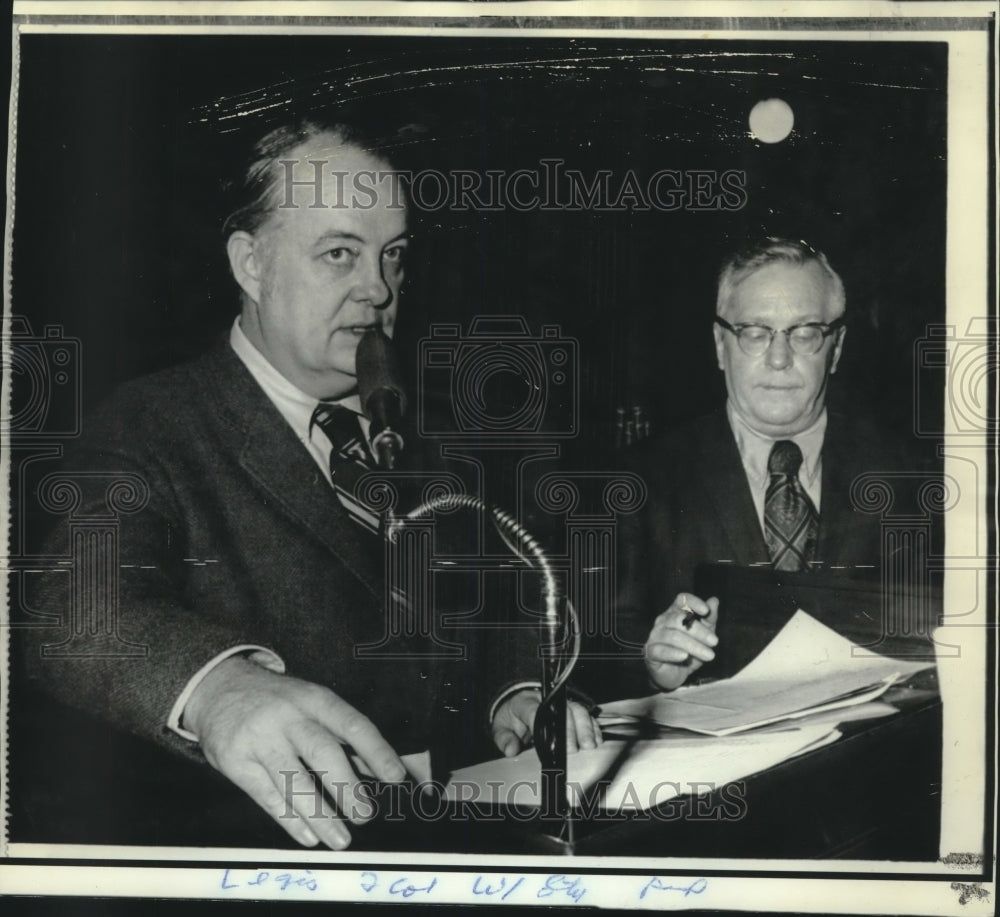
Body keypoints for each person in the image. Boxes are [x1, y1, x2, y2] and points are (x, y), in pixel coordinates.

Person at [21, 116, 599, 850]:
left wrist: (516, 689)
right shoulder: (148, 422)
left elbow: (499, 598)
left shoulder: (425, 429)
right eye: (340, 254)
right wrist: (218, 689)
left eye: (394, 257)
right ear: (251, 264)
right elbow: (72, 609)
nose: (379, 289)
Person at [626, 238, 916, 694]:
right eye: (755, 332)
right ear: (721, 346)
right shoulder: (642, 481)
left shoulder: (911, 477)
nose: (779, 359)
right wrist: (651, 666)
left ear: (835, 348)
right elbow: (573, 648)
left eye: (804, 333)